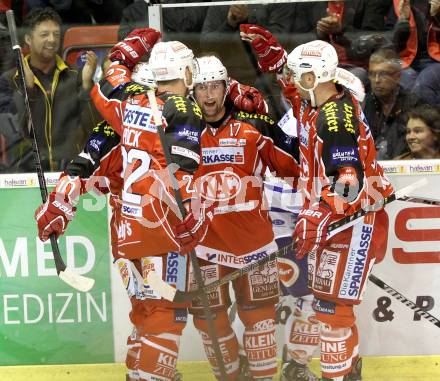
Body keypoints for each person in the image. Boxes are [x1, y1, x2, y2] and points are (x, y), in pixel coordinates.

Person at [180, 54, 300, 381]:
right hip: (205, 246)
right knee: (208, 322)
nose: (208, 95)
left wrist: (333, 190)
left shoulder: (254, 126)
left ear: (226, 86)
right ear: (191, 90)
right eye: (201, 87)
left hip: (254, 244)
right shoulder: (181, 132)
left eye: (214, 86)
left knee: (259, 319)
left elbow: (297, 165)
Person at [0, 7, 98, 172]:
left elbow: (95, 128)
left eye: (57, 34)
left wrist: (88, 88)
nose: (52, 40)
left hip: (70, 174)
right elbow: (12, 132)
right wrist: (29, 91)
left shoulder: (76, 76)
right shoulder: (10, 80)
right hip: (25, 176)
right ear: (28, 39)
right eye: (44, 34)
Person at [364, 47, 421, 160]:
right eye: (372, 74)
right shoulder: (364, 103)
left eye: (383, 74)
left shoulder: (413, 105)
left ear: (397, 76)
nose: (376, 80)